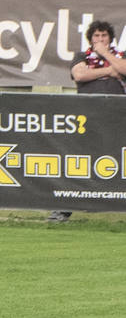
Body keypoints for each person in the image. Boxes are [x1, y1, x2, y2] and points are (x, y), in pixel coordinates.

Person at [48, 20, 126, 221]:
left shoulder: (120, 56)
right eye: (96, 36)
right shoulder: (81, 56)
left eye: (104, 36)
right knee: (80, 161)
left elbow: (124, 69)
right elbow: (80, 74)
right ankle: (63, 208)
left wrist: (106, 55)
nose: (100, 40)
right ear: (90, 39)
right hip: (88, 117)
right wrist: (109, 71)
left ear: (110, 38)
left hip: (117, 118)